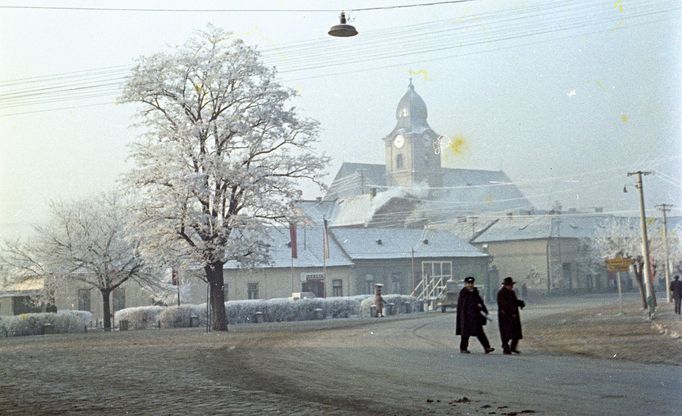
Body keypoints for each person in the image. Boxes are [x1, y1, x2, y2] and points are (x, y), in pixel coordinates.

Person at [455, 276, 495, 354]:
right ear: (465, 284)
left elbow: (480, 301)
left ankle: (487, 347)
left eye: (471, 283)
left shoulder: (475, 292)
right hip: (466, 317)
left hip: (475, 317)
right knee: (465, 334)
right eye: (468, 283)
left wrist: (484, 309)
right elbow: (463, 306)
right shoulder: (463, 293)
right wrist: (475, 305)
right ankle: (463, 348)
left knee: (480, 333)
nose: (470, 285)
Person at [497, 277, 525, 355]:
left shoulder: (512, 292)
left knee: (516, 333)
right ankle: (505, 347)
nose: (511, 286)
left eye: (512, 285)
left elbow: (514, 301)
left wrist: (520, 303)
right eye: (510, 285)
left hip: (513, 315)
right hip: (505, 316)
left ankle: (513, 347)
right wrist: (510, 310)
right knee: (506, 333)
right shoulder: (501, 293)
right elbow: (503, 305)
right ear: (506, 285)